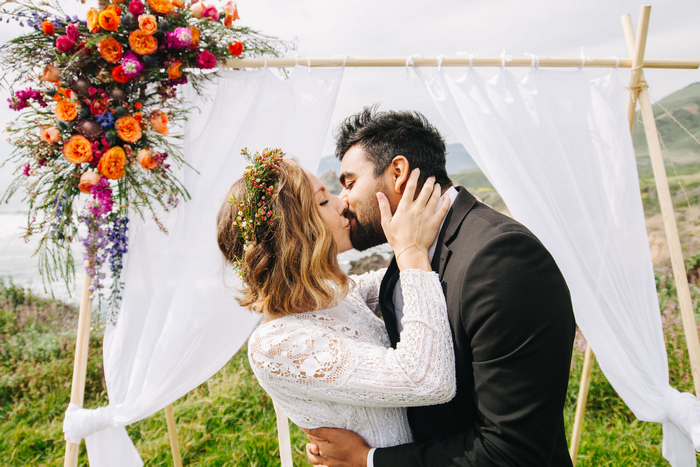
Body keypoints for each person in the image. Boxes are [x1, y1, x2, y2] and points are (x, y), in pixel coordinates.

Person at [304, 108, 577, 467]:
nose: (344, 201)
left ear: (397, 173)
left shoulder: (501, 259)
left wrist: (369, 460)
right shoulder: (412, 247)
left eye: (351, 182)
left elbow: (513, 452)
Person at [216, 148, 456, 450]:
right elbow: (428, 380)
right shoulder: (274, 346)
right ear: (297, 234)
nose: (343, 203)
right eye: (323, 201)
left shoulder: (330, 294)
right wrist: (410, 251)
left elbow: (398, 279)